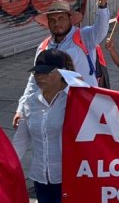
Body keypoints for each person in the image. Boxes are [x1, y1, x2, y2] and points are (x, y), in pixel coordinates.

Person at [14, 0, 109, 128]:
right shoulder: (44, 47)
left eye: (61, 18)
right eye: (52, 20)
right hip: (56, 110)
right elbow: (34, 81)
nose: (56, 23)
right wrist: (21, 109)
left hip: (85, 106)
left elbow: (101, 29)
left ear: (70, 19)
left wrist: (102, 7)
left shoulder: (84, 37)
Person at [13, 49, 81, 203]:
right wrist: (6, 166)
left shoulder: (76, 100)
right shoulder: (30, 102)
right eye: (36, 72)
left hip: (69, 177)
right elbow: (20, 141)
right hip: (40, 178)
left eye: (45, 72)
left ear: (62, 73)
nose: (39, 76)